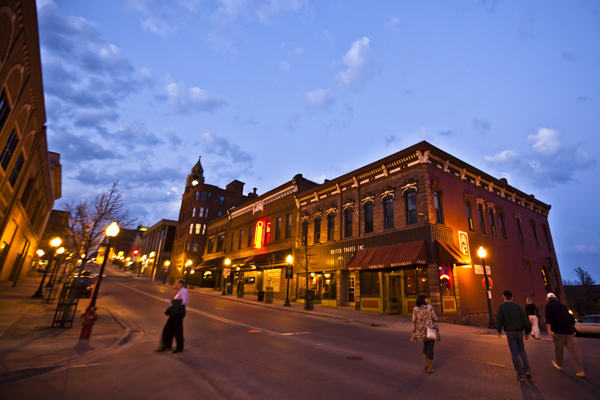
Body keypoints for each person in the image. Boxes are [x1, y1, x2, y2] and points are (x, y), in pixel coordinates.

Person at [545, 292, 585, 378]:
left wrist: (549, 330)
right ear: (556, 298)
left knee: (559, 349)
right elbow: (570, 317)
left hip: (559, 331)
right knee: (574, 351)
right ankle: (580, 370)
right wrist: (572, 327)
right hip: (569, 331)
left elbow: (548, 318)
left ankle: (559, 365)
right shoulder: (563, 306)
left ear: (547, 299)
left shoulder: (548, 306)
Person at [495, 290, 532, 382]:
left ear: (504, 297)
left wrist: (498, 330)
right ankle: (527, 370)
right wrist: (527, 332)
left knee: (514, 353)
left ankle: (520, 374)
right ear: (512, 297)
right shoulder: (518, 307)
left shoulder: (502, 307)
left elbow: (499, 319)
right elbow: (525, 320)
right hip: (520, 332)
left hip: (510, 332)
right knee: (522, 351)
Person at [156, 279, 188, 354]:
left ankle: (179, 348)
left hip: (178, 313)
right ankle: (166, 346)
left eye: (177, 284)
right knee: (168, 329)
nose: (176, 285)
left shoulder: (183, 291)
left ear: (181, 285)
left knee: (178, 331)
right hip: (174, 313)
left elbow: (183, 302)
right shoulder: (179, 291)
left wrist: (172, 303)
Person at [411, 294, 439, 374]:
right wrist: (436, 328)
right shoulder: (429, 307)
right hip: (430, 329)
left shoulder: (415, 309)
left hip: (421, 330)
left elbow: (414, 321)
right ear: (424, 300)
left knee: (425, 346)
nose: (427, 300)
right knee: (430, 347)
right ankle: (430, 368)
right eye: (426, 299)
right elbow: (435, 318)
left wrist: (414, 331)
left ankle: (426, 364)